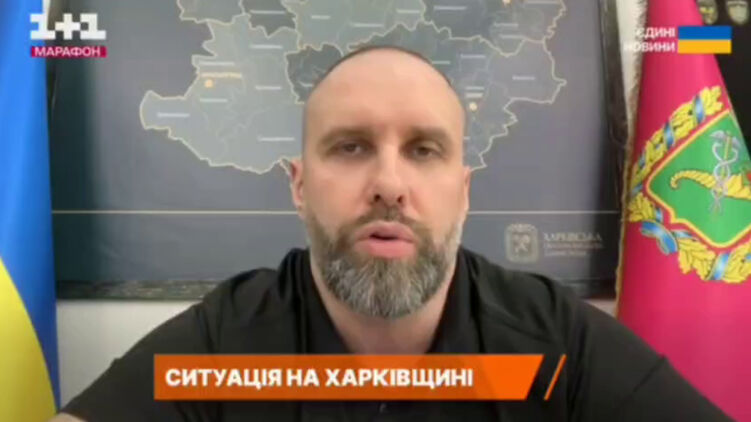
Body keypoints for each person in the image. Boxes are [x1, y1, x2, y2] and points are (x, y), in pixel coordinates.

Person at [52, 46, 730, 422]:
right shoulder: (222, 342)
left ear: (463, 191)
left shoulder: (556, 342)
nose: (388, 184)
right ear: (298, 185)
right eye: (350, 147)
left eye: (424, 150)